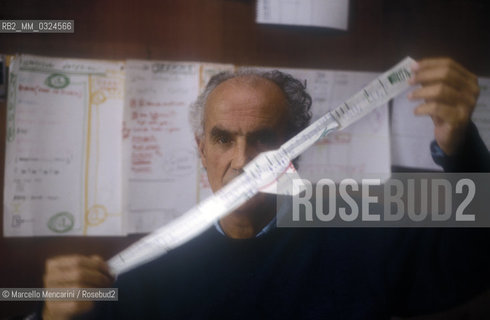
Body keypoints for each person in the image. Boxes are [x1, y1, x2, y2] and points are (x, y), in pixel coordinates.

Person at [41, 58, 490, 319]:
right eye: (223, 139)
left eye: (264, 140)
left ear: (296, 149)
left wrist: (461, 147)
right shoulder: (142, 276)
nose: (242, 161)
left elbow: (475, 256)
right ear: (202, 149)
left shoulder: (360, 222)